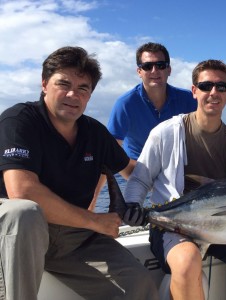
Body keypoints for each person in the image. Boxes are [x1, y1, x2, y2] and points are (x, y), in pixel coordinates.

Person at [0, 46, 158, 300]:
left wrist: (168, 193)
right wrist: (95, 221)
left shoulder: (93, 132)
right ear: (44, 84)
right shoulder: (19, 120)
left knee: (139, 285)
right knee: (24, 212)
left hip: (74, 237)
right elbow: (22, 191)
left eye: (83, 88)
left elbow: (133, 170)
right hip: (19, 236)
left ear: (90, 96)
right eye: (64, 84)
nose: (73, 94)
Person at [123, 59, 226, 300]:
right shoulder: (166, 133)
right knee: (187, 261)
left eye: (222, 87)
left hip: (223, 229)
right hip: (173, 226)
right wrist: (133, 205)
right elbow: (139, 180)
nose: (214, 92)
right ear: (194, 91)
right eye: (206, 86)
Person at [108, 42, 197, 160]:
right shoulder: (125, 104)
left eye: (160, 65)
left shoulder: (189, 99)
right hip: (139, 170)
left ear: (169, 70)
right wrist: (134, 176)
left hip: (181, 170)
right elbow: (110, 150)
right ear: (139, 71)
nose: (154, 70)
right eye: (147, 66)